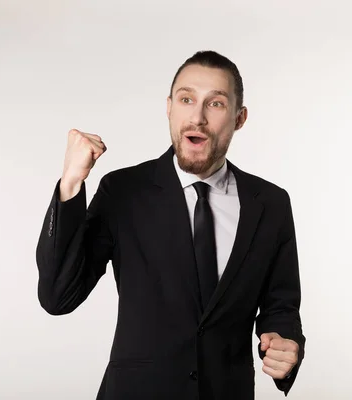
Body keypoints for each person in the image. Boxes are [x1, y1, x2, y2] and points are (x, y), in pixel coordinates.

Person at [35, 50, 306, 400]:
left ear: (239, 118)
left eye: (216, 104)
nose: (197, 117)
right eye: (186, 99)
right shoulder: (123, 191)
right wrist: (70, 184)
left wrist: (286, 344)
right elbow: (58, 296)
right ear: (168, 107)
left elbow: (281, 307)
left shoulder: (270, 203)